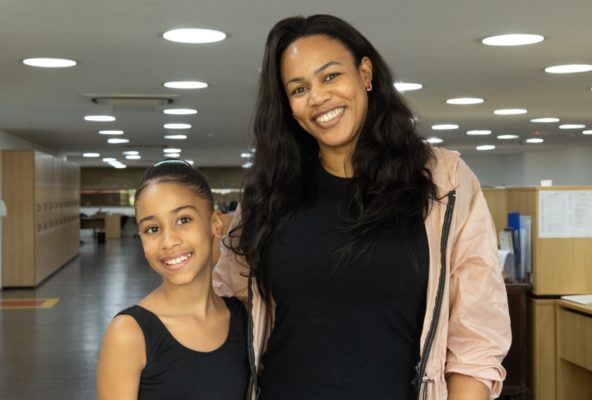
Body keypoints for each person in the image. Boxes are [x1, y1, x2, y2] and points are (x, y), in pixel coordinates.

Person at [214, 14, 511, 400]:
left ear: (365, 73)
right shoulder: (268, 192)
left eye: (331, 76)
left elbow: (477, 336)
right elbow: (227, 304)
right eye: (299, 88)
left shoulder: (445, 182)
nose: (318, 97)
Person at [97, 159, 249, 400]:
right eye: (152, 229)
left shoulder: (242, 318)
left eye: (183, 220)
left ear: (215, 224)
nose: (168, 241)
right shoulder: (128, 334)